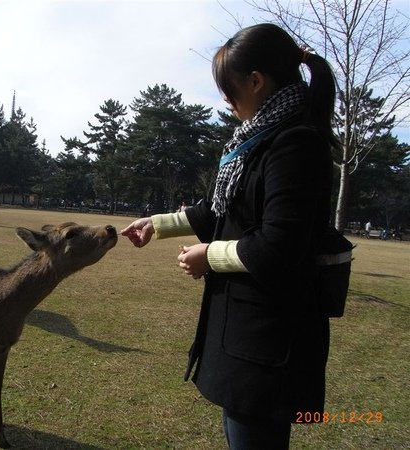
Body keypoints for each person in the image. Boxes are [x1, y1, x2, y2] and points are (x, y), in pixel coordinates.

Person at [121, 23, 339, 450]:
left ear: (256, 81)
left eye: (228, 87)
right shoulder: (258, 139)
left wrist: (209, 256)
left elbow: (280, 246)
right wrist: (158, 224)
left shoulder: (295, 144)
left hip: (269, 341)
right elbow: (220, 210)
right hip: (246, 338)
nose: (225, 99)